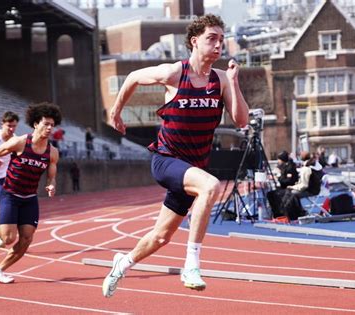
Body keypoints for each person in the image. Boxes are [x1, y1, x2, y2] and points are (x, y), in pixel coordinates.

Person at [102, 14, 249, 297]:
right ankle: (191, 264)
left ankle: (122, 263)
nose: (218, 45)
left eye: (221, 39)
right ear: (195, 41)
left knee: (160, 236)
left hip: (192, 168)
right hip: (166, 160)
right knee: (211, 185)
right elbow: (133, 77)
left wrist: (234, 82)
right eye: (211, 38)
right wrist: (116, 111)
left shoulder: (220, 80)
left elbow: (241, 121)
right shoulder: (173, 73)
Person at [0, 102, 61, 284]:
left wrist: (51, 185)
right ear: (36, 124)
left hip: (29, 198)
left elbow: (51, 176)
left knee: (26, 239)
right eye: (46, 124)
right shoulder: (20, 142)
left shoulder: (53, 152)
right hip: (9, 194)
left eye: (52, 125)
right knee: (8, 238)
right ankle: (0, 223)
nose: (50, 128)